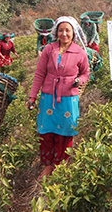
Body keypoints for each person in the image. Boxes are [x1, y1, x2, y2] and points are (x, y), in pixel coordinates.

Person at [27, 17, 90, 180]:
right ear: (56, 32)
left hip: (69, 99)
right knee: (46, 131)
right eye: (61, 30)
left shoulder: (80, 52)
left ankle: (60, 164)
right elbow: (40, 73)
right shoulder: (49, 49)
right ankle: (48, 164)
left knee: (66, 131)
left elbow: (85, 73)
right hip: (48, 97)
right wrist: (32, 96)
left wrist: (79, 81)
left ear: (73, 32)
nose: (64, 33)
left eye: (67, 30)